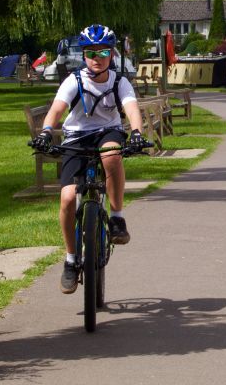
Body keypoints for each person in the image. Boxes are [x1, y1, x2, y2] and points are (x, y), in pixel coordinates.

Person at [31, 24, 147, 294]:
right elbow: (57, 108)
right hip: (76, 138)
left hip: (108, 132)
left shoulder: (119, 81)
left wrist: (138, 132)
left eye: (103, 52)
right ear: (83, 55)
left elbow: (131, 107)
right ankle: (71, 260)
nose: (97, 58)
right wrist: (47, 131)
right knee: (68, 198)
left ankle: (117, 217)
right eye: (91, 52)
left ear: (112, 54)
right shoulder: (75, 80)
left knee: (110, 155)